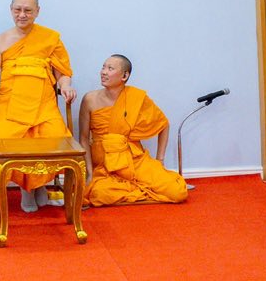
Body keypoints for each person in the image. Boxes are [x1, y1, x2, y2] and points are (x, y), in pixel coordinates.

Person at [0, 0, 75, 212]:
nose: (22, 15)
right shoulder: (0, 41)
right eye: (18, 10)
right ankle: (27, 191)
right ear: (11, 10)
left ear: (37, 12)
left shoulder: (51, 38)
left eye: (28, 10)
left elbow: (62, 72)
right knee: (6, 139)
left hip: (43, 104)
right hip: (10, 104)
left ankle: (39, 185)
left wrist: (66, 85)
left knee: (55, 137)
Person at [79, 55, 188, 205]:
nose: (103, 72)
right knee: (99, 194)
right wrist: (90, 174)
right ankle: (139, 189)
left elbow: (163, 124)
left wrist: (160, 160)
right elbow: (84, 138)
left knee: (177, 191)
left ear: (125, 75)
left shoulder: (137, 98)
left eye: (110, 68)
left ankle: (134, 188)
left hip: (135, 159)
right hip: (106, 165)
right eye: (103, 67)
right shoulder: (89, 99)